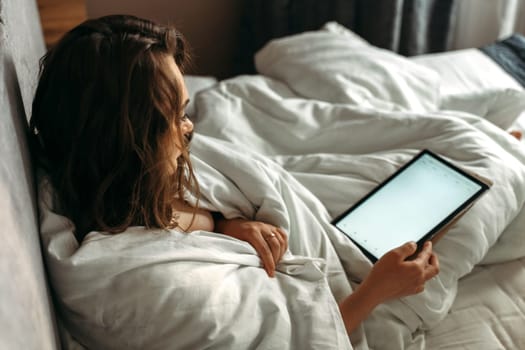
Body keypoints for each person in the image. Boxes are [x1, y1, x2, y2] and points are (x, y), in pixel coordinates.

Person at [29, 15, 439, 338]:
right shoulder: (145, 285)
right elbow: (298, 340)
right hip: (352, 303)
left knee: (438, 151)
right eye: (171, 118)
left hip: (300, 212)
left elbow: (220, 192)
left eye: (184, 109)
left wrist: (228, 223)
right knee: (475, 166)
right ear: (121, 140)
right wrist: (377, 291)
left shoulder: (133, 180)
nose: (188, 129)